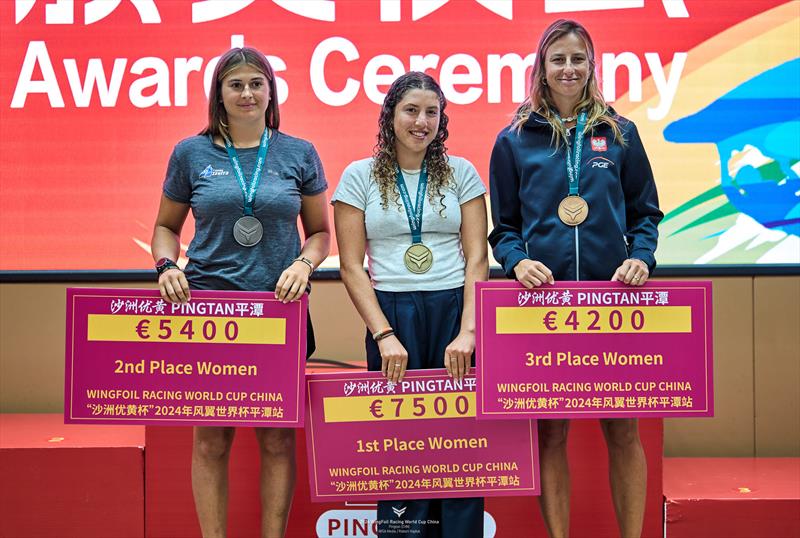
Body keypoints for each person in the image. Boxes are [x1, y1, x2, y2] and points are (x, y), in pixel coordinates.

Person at [488, 19, 663, 538]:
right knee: (550, 434)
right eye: (557, 59)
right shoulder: (514, 140)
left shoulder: (620, 133)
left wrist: (643, 259)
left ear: (592, 66)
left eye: (578, 59)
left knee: (623, 429)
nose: (568, 69)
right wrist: (517, 261)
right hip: (544, 308)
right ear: (541, 67)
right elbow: (505, 228)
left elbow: (646, 214)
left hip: (612, 305)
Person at [150, 47, 330, 538]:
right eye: (235, 84)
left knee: (276, 441)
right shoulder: (191, 153)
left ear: (271, 90)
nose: (247, 93)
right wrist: (166, 263)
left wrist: (304, 262)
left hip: (280, 311)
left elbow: (319, 233)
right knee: (210, 442)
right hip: (210, 312)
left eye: (256, 83)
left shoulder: (299, 152)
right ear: (219, 94)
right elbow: (165, 228)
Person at [333, 71, 489, 538]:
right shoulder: (358, 176)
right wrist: (383, 335)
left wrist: (469, 331)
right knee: (399, 444)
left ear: (442, 120)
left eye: (431, 112)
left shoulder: (461, 172)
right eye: (410, 110)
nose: (421, 121)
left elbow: (478, 257)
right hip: (392, 316)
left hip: (452, 312)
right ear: (390, 116)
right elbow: (351, 266)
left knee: (460, 444)